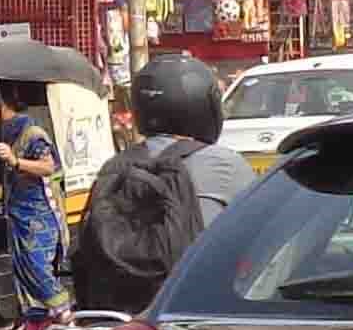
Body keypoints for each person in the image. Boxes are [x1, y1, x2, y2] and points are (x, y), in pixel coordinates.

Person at [71, 52, 254, 316]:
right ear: (205, 105)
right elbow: (268, 242)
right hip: (194, 313)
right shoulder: (225, 163)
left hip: (115, 316)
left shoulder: (114, 167)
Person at [0, 90, 67, 330]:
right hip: (18, 213)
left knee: (36, 266)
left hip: (39, 214)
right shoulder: (4, 134)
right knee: (22, 265)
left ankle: (67, 313)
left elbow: (48, 167)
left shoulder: (33, 134)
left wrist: (16, 162)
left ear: (0, 106)